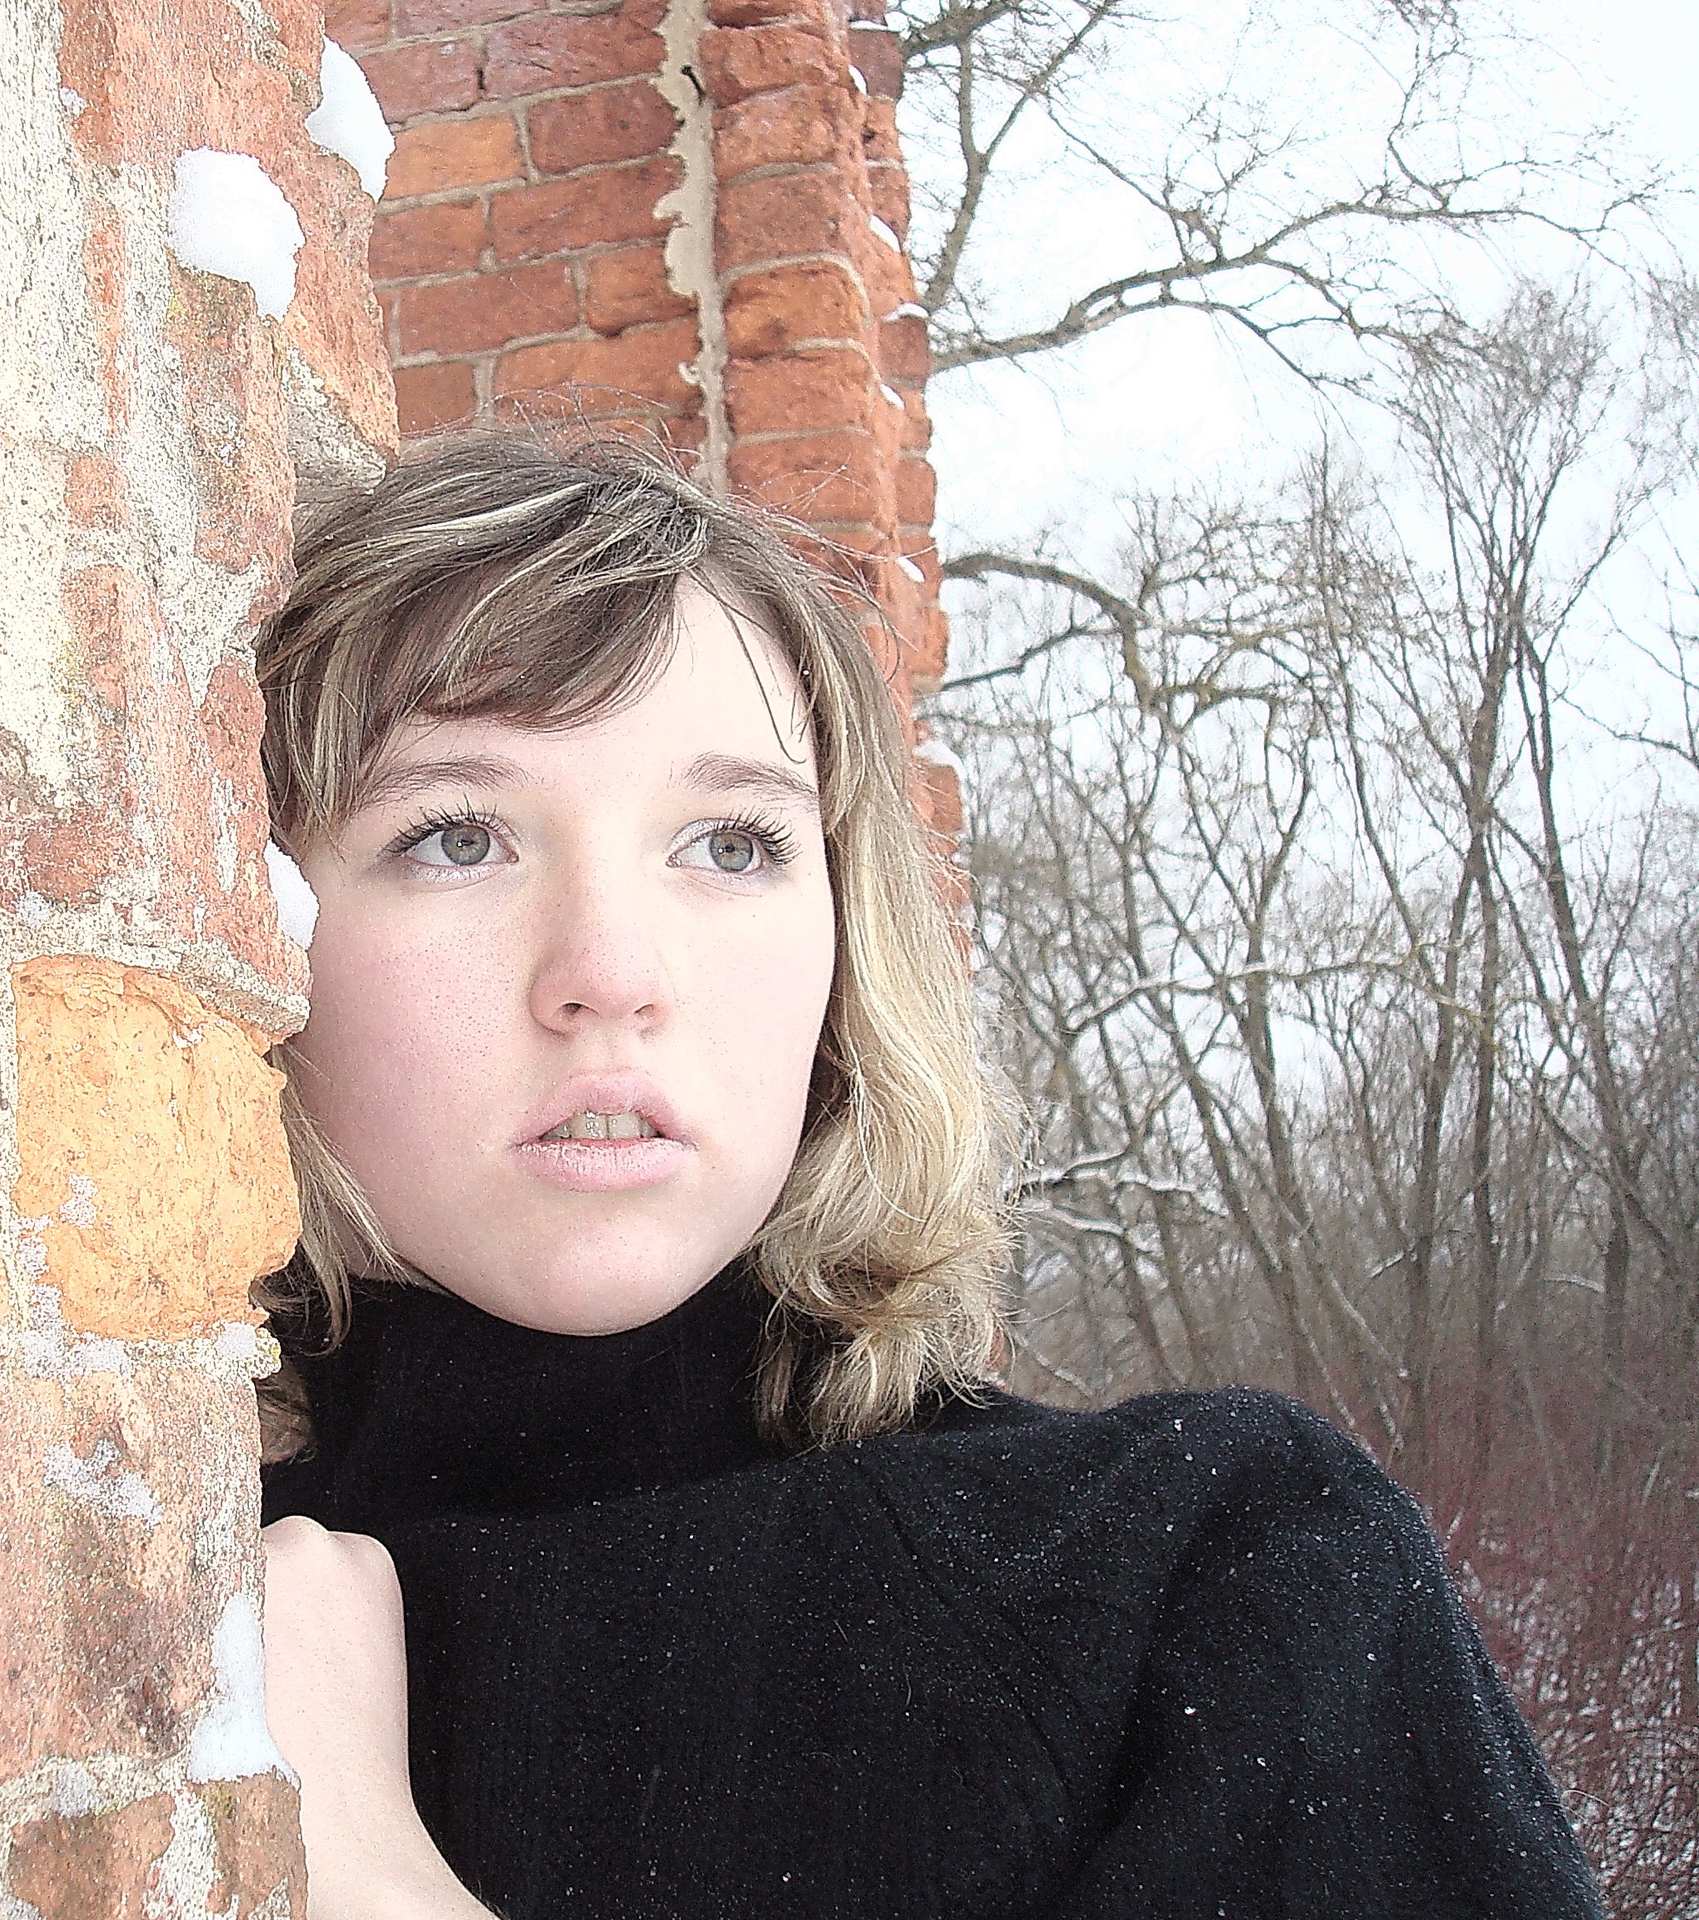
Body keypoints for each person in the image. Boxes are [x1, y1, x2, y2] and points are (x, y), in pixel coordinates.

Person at [245, 431, 1599, 1920]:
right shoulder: (125, 1580)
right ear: (260, 933)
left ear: (845, 943)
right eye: (456, 836)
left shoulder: (1214, 1577)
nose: (612, 973)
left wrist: (368, 1873)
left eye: (730, 844)